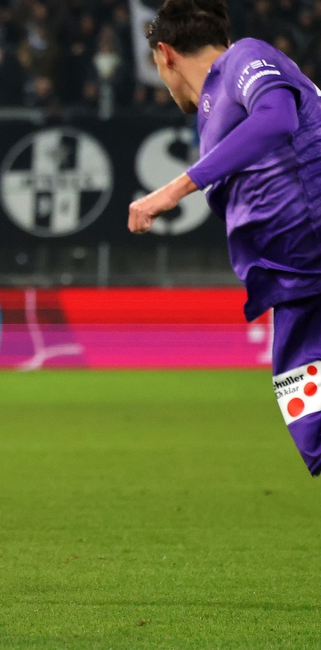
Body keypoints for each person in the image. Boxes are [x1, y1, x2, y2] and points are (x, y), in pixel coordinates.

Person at [129, 0, 321, 474]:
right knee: (311, 427)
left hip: (313, 252)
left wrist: (175, 189)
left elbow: (277, 118)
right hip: (295, 282)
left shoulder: (243, 58)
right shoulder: (213, 110)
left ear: (165, 55)